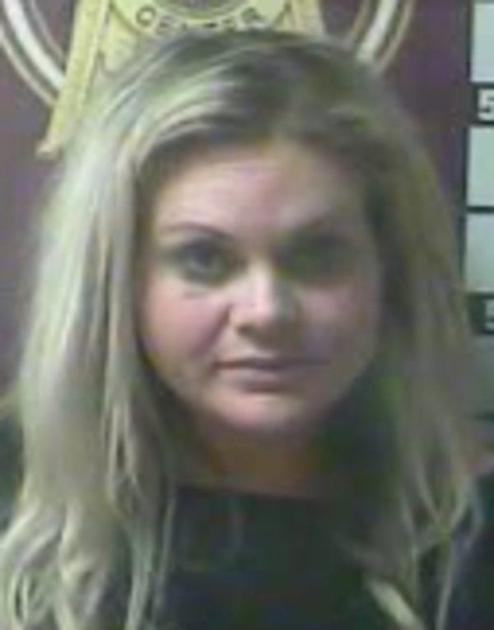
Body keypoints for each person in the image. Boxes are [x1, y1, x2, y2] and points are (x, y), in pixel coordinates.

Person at [0, 29, 487, 630]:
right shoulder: (15, 512)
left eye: (317, 255)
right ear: (116, 282)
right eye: (205, 259)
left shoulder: (469, 548)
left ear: (389, 271)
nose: (268, 312)